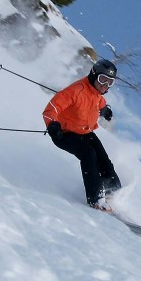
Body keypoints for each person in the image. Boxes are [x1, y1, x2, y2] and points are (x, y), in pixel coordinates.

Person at [43, 59, 122, 210]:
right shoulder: (76, 90)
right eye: (103, 79)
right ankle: (96, 199)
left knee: (104, 160)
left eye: (110, 82)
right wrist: (53, 126)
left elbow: (99, 102)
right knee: (88, 153)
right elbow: (51, 108)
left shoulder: (98, 93)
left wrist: (105, 110)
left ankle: (114, 194)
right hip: (64, 133)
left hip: (85, 132)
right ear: (93, 75)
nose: (105, 85)